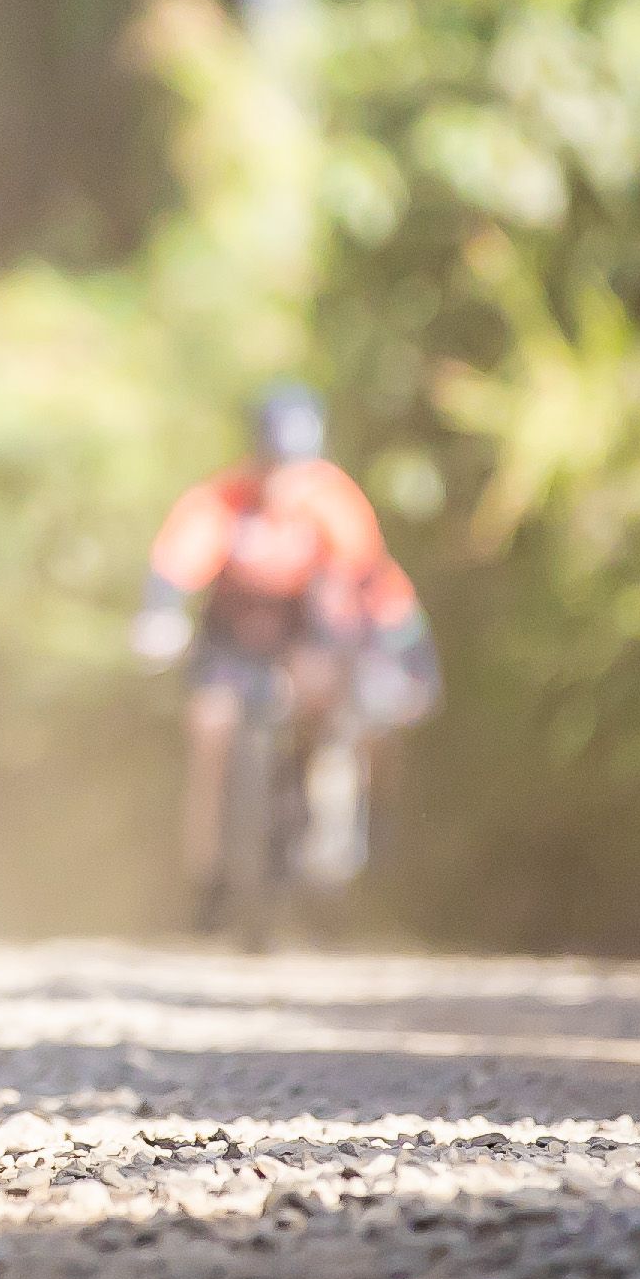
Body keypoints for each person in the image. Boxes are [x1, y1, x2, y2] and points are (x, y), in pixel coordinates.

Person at [133, 384, 428, 909]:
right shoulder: (222, 500)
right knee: (211, 731)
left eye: (299, 466)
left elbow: (367, 579)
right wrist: (160, 614)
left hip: (302, 636)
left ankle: (319, 834)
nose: (287, 481)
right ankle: (209, 877)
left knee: (326, 707)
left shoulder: (334, 500)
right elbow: (176, 564)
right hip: (229, 640)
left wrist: (389, 651)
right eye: (276, 464)